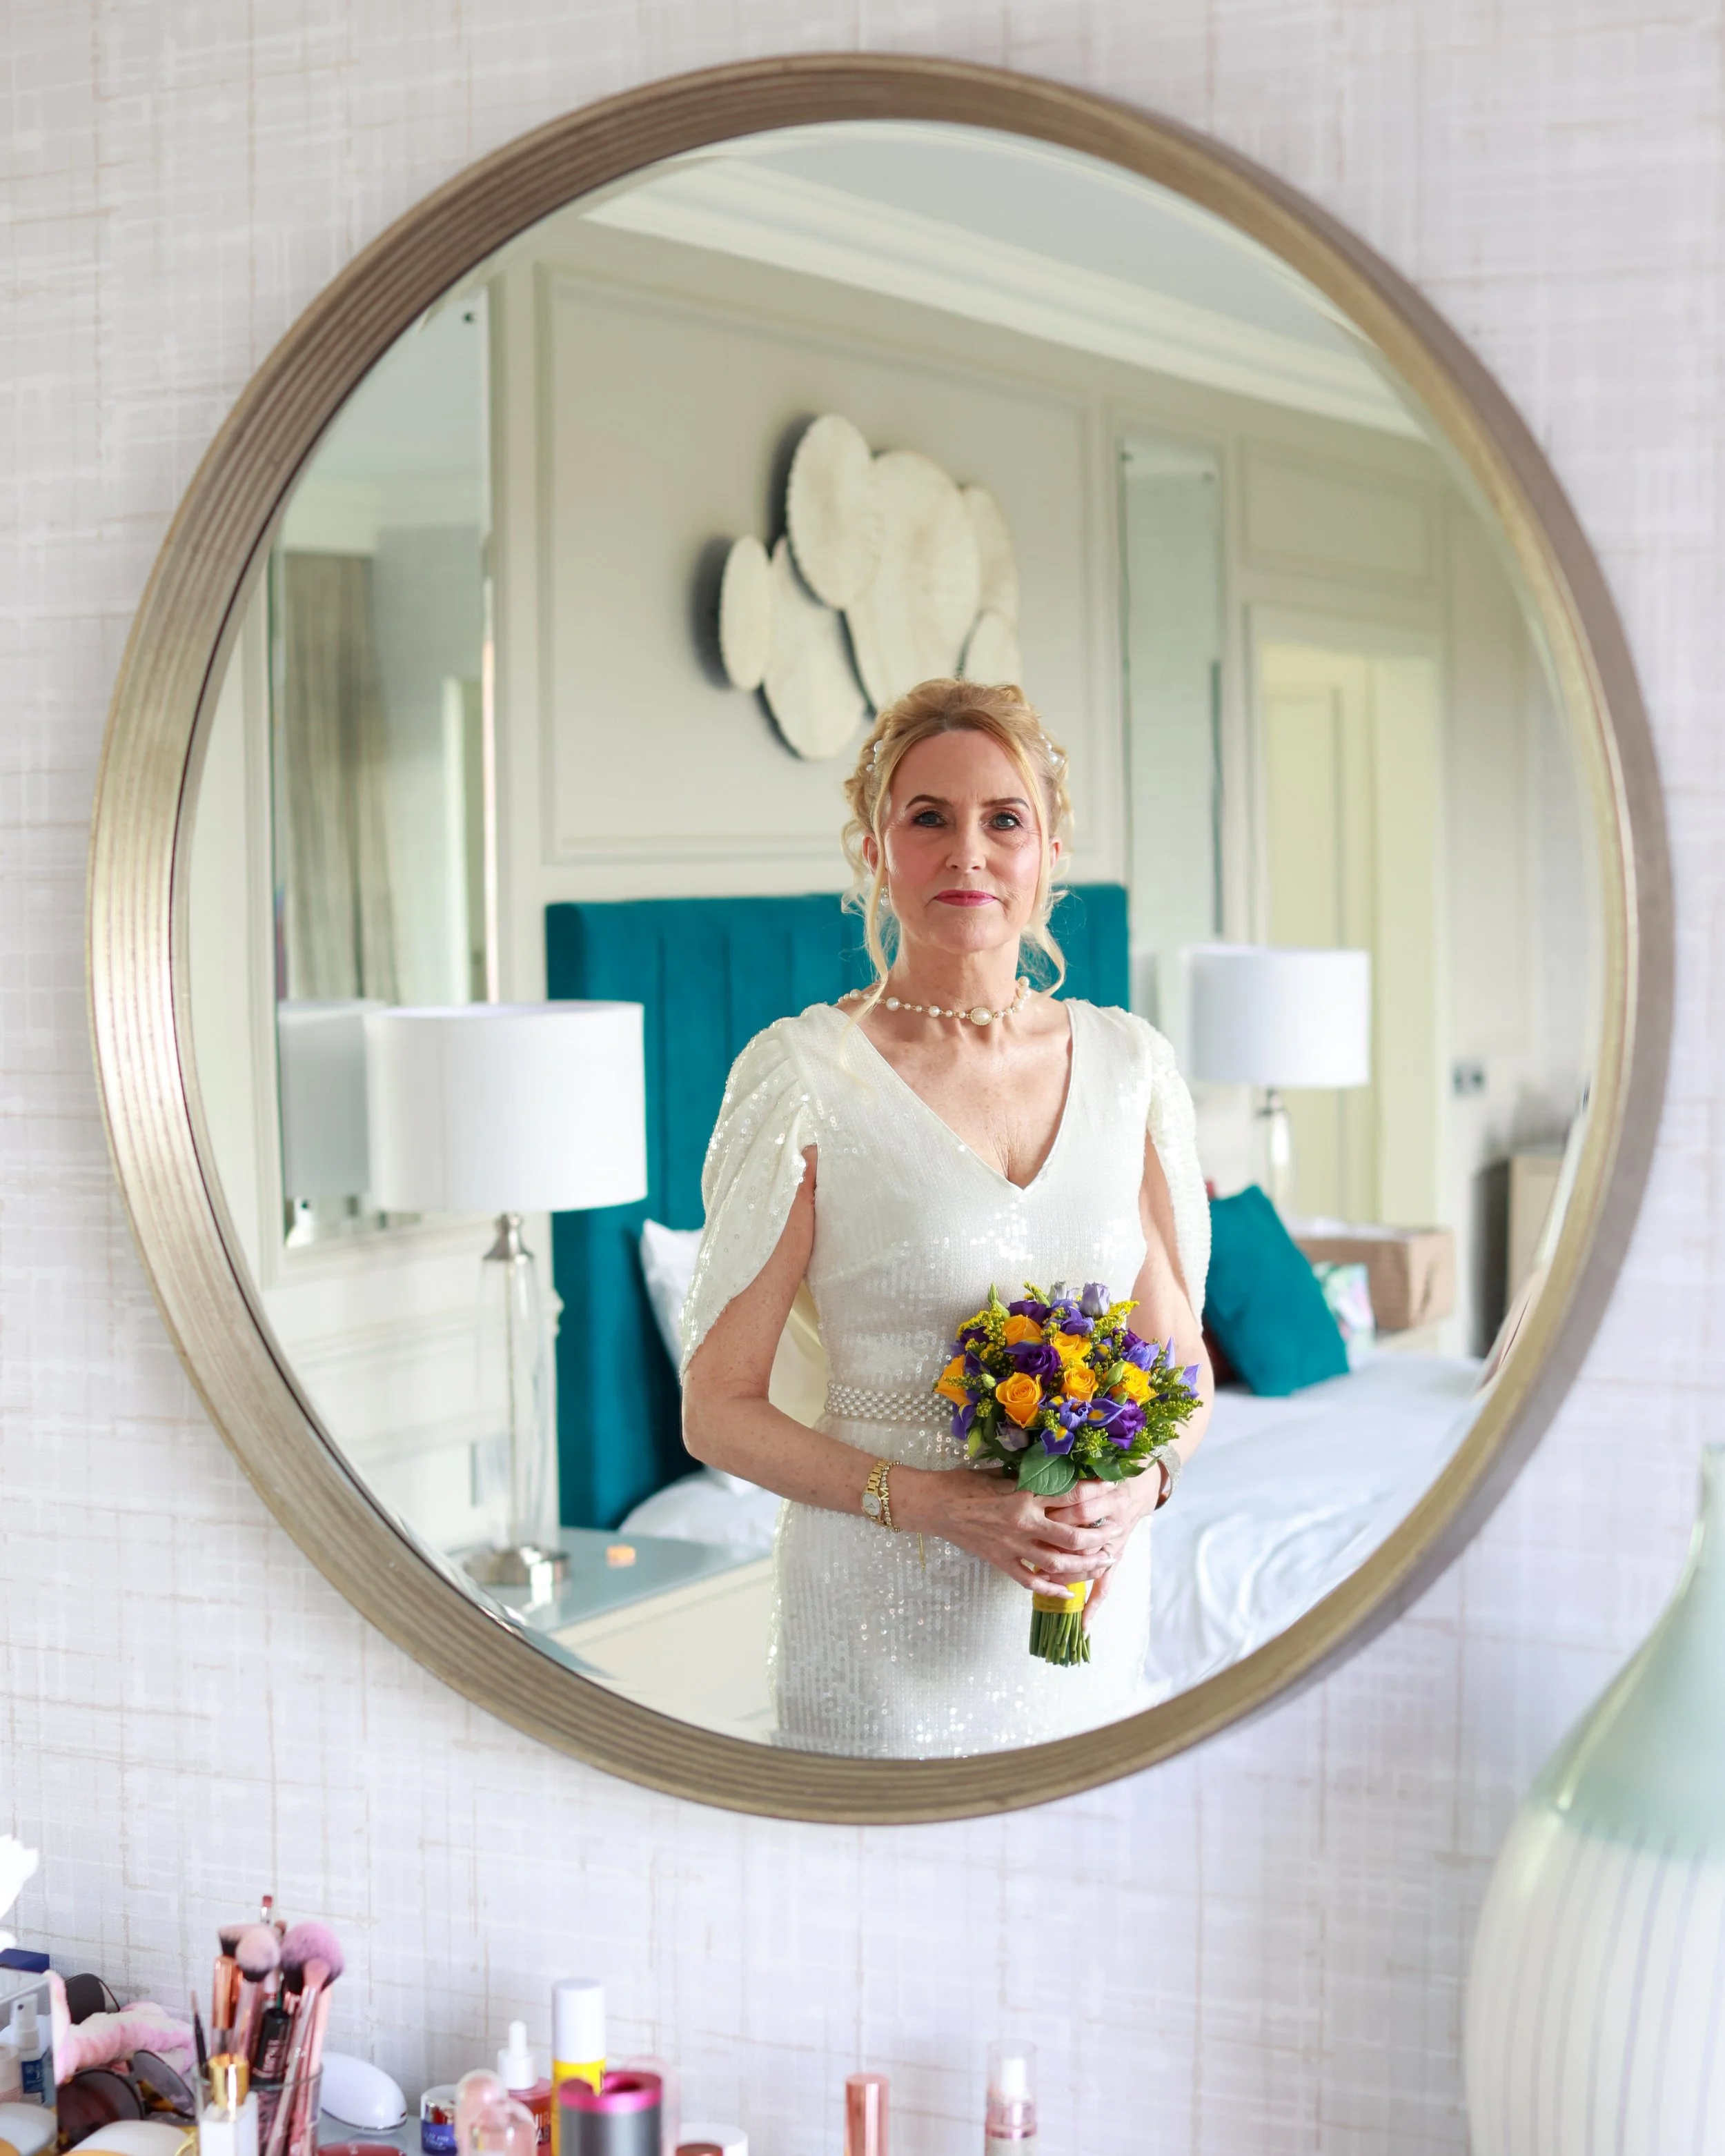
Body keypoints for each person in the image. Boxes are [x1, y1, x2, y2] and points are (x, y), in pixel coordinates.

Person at [680, 678, 1212, 1757]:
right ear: (877, 851)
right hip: (879, 1631)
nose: (968, 853)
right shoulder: (805, 1081)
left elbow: (1181, 1368)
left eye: (1003, 820)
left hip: (1081, 1629)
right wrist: (934, 1504)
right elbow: (716, 1409)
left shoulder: (1130, 1070)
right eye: (929, 818)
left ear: (1051, 850)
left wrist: (1142, 1487)